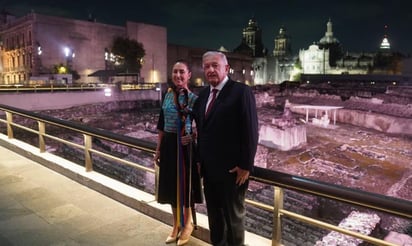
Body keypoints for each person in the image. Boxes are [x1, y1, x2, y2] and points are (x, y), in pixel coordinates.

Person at [193, 51, 259, 246]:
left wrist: (246, 165)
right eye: (207, 66)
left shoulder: (241, 92)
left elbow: (251, 130)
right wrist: (198, 160)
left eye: (215, 65)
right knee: (215, 219)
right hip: (209, 170)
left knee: (233, 220)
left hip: (232, 172)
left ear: (226, 68)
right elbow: (202, 131)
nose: (211, 70)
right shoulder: (203, 95)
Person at [154, 60, 202, 246]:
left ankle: (187, 224)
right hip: (168, 146)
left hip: (185, 148)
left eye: (182, 72)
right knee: (172, 187)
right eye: (175, 72)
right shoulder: (167, 96)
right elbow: (161, 124)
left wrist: (191, 137)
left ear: (189, 74)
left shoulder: (194, 100)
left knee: (186, 186)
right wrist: (158, 149)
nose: (178, 75)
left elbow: (202, 127)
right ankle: (175, 225)